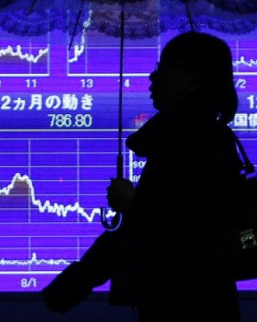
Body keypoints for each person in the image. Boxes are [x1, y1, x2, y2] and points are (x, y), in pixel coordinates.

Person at [43, 31, 243, 321]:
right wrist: (78, 280)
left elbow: (198, 235)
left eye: (164, 68)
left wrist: (134, 205)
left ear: (193, 81)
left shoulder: (200, 143)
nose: (152, 77)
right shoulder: (183, 139)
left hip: (191, 308)